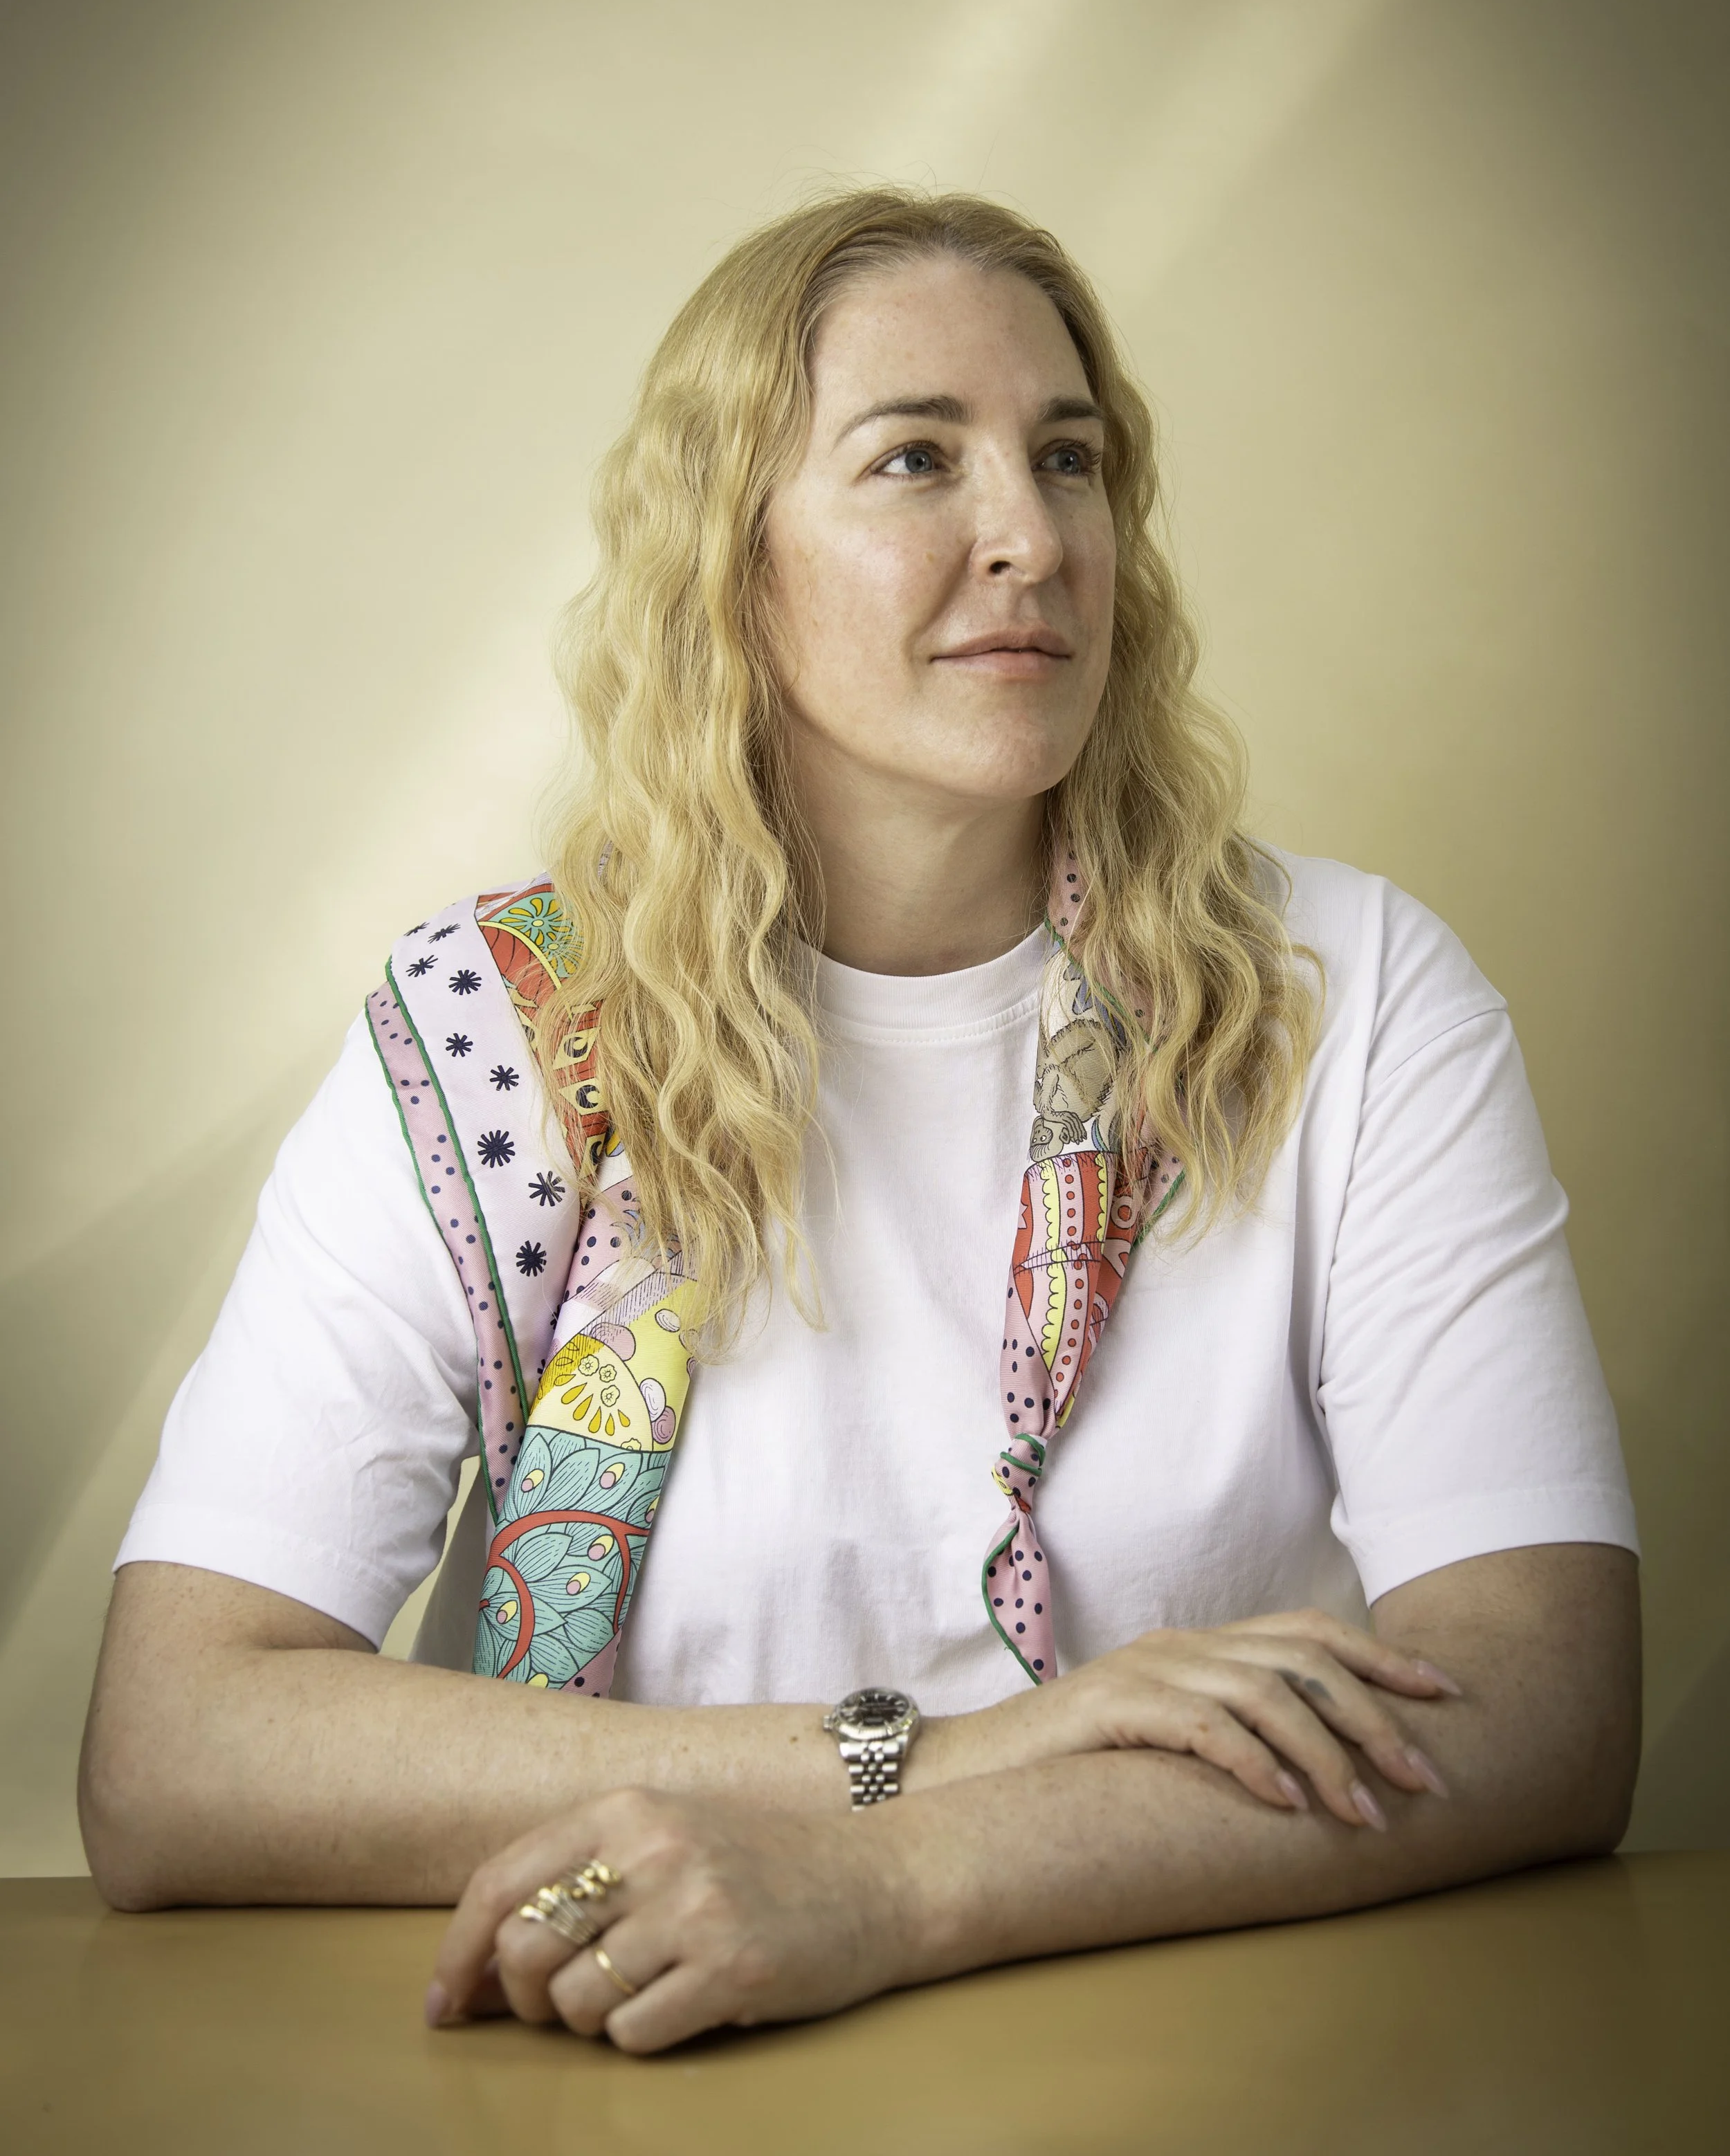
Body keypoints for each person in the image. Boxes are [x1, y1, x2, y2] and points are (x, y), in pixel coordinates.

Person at [80, 190, 1640, 2056]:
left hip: (1228, 2080)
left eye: (1068, 459)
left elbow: (1544, 1701)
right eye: (916, 458)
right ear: (728, 563)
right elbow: (175, 1752)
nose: (1030, 537)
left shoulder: (1353, 991)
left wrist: (892, 1880)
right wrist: (925, 1758)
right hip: (617, 2089)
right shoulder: (502, 1023)